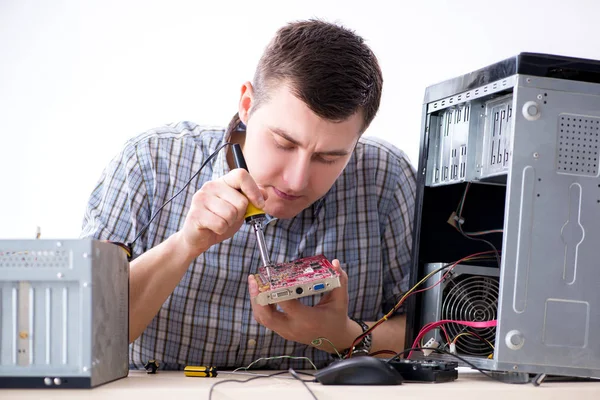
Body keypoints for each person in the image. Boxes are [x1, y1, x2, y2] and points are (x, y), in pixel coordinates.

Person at [81, 19, 416, 370]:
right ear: (246, 103)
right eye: (284, 143)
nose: (297, 180)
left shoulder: (385, 177)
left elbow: (440, 333)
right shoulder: (149, 164)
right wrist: (184, 245)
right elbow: (85, 333)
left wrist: (347, 335)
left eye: (328, 158)